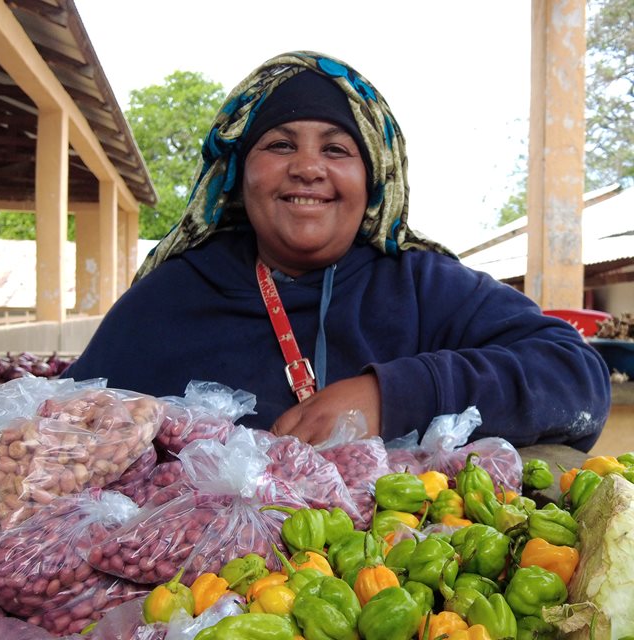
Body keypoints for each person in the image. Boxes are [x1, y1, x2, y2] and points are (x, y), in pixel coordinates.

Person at [62, 51, 611, 452]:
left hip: (404, 600)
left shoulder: (423, 285)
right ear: (238, 173)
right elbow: (55, 437)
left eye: (336, 148)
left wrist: (391, 394)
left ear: (372, 180)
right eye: (280, 145)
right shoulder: (171, 297)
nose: (307, 167)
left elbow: (575, 374)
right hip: (203, 600)